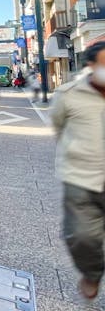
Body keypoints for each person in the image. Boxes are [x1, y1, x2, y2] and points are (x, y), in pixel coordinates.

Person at [50, 41, 105, 300]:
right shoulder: (69, 94)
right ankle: (92, 273)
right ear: (91, 66)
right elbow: (58, 126)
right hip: (81, 177)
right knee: (81, 237)